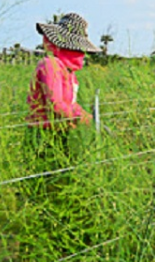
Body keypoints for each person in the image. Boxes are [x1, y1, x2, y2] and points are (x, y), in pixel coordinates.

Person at [26, 13, 100, 157]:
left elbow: (70, 103)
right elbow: (56, 104)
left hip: (60, 131)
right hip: (44, 133)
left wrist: (87, 116)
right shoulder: (50, 65)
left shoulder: (68, 71)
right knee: (47, 174)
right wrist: (79, 118)